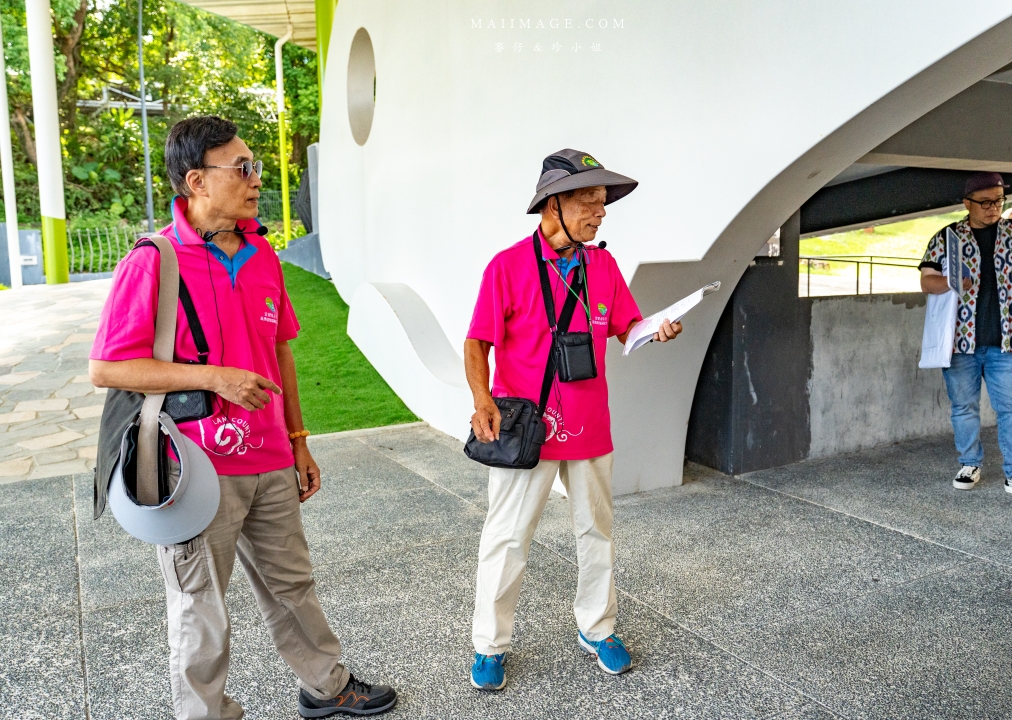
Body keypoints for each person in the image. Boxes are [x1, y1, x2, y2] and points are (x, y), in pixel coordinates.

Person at [88, 116, 397, 719]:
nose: (257, 180)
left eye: (255, 167)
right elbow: (107, 368)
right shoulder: (154, 260)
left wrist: (299, 439)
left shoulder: (262, 255)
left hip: (270, 458)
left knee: (292, 586)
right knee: (199, 604)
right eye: (244, 169)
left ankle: (326, 687)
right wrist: (213, 376)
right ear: (197, 181)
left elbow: (281, 350)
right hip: (193, 469)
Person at [464, 148, 682, 691]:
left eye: (602, 201)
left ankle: (597, 627)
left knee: (596, 532)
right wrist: (481, 398)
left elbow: (626, 328)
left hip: (590, 426)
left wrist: (655, 329)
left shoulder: (603, 266)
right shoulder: (507, 266)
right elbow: (476, 342)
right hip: (527, 429)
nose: (600, 211)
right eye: (588, 199)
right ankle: (490, 644)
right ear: (552, 204)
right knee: (507, 537)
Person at [919, 171, 1012, 502]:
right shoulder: (947, 237)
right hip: (959, 343)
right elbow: (927, 280)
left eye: (999, 200)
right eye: (985, 202)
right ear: (967, 203)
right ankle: (969, 463)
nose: (993, 207)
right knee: (963, 407)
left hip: (1007, 341)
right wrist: (951, 282)